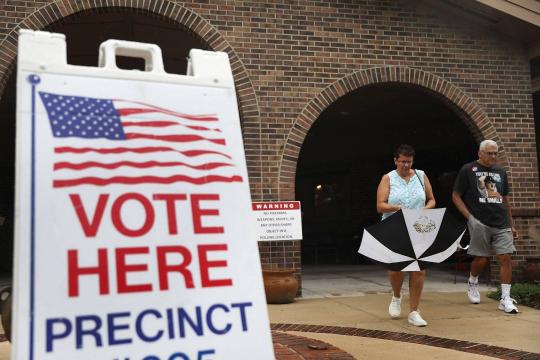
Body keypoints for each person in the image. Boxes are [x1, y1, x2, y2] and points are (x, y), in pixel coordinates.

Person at [452, 139, 519, 313]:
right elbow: (456, 196)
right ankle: (473, 280)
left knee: (505, 257)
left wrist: (511, 224)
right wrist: (470, 218)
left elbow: (505, 199)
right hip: (479, 221)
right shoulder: (468, 169)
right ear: (480, 153)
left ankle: (505, 298)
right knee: (481, 259)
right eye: (490, 153)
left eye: (495, 153)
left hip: (501, 222)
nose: (493, 156)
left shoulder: (501, 172)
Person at [376, 144, 436, 326]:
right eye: (402, 162)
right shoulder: (388, 178)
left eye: (409, 162)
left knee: (418, 269)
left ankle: (414, 311)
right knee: (396, 269)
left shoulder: (421, 175)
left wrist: (424, 209)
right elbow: (380, 206)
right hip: (394, 227)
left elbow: (432, 200)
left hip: (418, 226)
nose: (406, 165)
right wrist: (399, 208)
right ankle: (396, 296)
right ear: (395, 160)